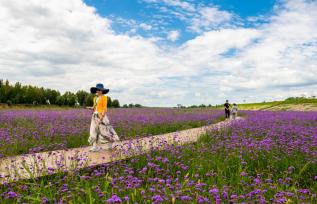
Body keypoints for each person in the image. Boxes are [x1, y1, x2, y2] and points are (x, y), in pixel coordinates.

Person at [88, 83, 120, 152]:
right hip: (94, 116)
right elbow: (94, 107)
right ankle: (94, 146)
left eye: (99, 90)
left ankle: (110, 145)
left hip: (101, 116)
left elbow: (105, 108)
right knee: (93, 131)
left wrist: (101, 118)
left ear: (102, 91)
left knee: (105, 131)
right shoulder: (95, 98)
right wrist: (91, 108)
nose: (98, 91)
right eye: (97, 90)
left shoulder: (104, 98)